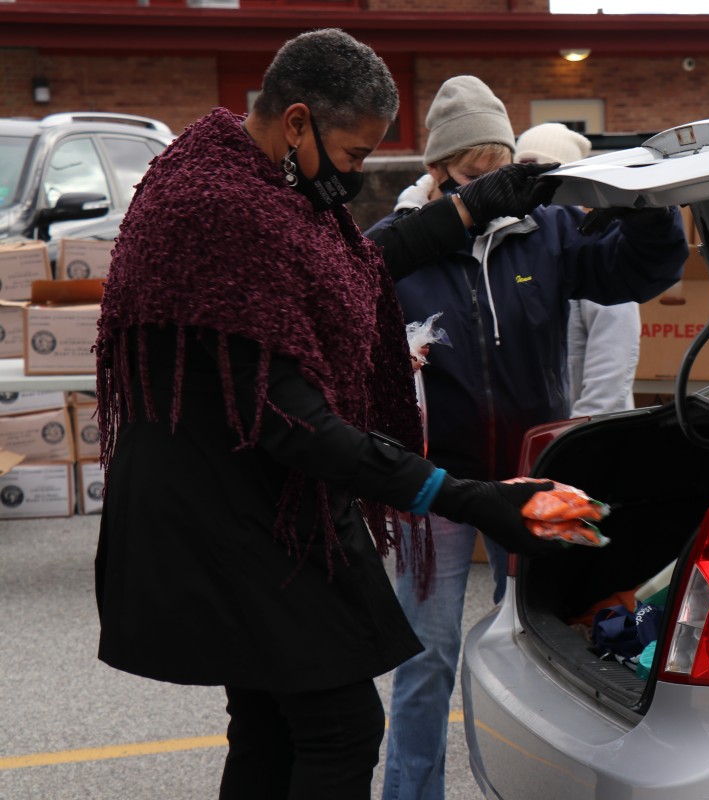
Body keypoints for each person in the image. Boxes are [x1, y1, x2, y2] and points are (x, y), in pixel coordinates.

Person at [92, 30, 564, 800]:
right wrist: (459, 493)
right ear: (299, 122)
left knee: (272, 723)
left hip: (241, 496)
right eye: (350, 157)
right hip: (224, 511)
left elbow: (350, 268)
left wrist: (467, 212)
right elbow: (294, 420)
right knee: (338, 727)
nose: (352, 181)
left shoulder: (246, 178)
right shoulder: (221, 211)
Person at [365, 77, 689, 800]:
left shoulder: (547, 232)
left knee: (542, 647)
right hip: (437, 485)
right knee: (426, 657)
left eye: (498, 170)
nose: (489, 189)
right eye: (473, 175)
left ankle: (527, 783)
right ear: (439, 170)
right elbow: (355, 279)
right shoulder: (402, 245)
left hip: (532, 476)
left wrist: (644, 204)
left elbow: (639, 270)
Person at [515, 122, 642, 416]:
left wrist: (572, 437)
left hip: (586, 441)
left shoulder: (594, 254)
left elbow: (612, 368)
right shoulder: (520, 249)